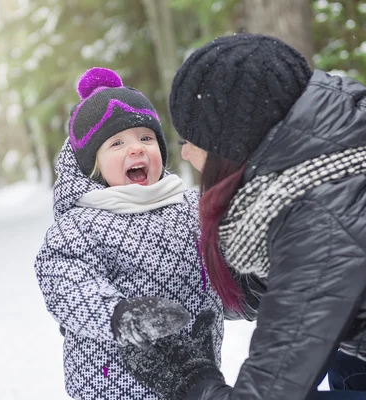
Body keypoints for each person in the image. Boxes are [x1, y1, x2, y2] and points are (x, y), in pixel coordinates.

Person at [119, 33, 366, 400]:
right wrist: (193, 293)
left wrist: (188, 377)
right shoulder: (332, 179)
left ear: (234, 145)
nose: (189, 155)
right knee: (346, 363)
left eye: (193, 140)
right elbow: (296, 296)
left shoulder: (320, 232)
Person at [33, 67, 226, 400]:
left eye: (146, 138)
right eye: (117, 143)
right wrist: (117, 316)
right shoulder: (80, 225)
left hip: (195, 372)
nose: (136, 149)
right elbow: (64, 282)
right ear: (93, 163)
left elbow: (225, 251)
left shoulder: (191, 206)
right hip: (113, 379)